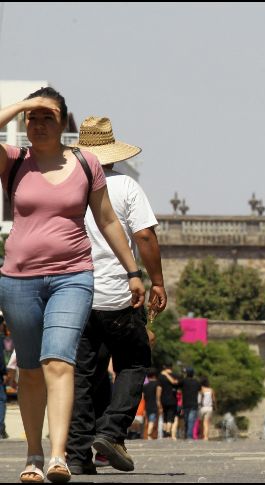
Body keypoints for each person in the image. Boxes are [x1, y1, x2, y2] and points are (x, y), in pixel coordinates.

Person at [0, 88, 145, 483]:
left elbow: (108, 220)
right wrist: (23, 105)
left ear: (63, 123)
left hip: (73, 275)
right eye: (33, 117)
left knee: (59, 361)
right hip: (18, 280)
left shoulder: (85, 162)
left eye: (49, 116)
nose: (39, 123)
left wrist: (134, 272)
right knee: (30, 370)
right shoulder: (13, 160)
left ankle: (59, 456)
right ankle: (33, 454)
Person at [65, 116, 167, 475]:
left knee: (81, 373)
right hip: (117, 294)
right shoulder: (125, 187)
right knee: (134, 360)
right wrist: (156, 280)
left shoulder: (65, 184)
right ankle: (111, 431)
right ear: (110, 152)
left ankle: (76, 454)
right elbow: (144, 237)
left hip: (73, 293)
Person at [158, 363, 179, 439]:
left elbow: (159, 389)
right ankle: (167, 433)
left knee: (165, 416)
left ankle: (165, 433)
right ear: (171, 367)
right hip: (172, 399)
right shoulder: (175, 376)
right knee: (170, 416)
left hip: (163, 399)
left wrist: (158, 400)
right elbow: (176, 383)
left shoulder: (161, 376)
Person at [181, 368, 201, 440]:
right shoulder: (196, 382)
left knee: (186, 420)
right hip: (194, 404)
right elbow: (199, 389)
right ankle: (189, 436)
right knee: (191, 420)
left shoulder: (184, 381)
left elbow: (178, 384)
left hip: (185, 403)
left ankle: (188, 435)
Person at [142, 370, 160, 440]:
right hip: (154, 405)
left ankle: (147, 434)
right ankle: (149, 434)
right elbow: (158, 396)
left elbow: (143, 397)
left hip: (146, 405)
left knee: (147, 420)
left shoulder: (145, 385)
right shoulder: (157, 384)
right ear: (154, 376)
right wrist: (159, 405)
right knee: (152, 420)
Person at [198, 376, 216, 441]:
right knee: (206, 423)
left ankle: (201, 435)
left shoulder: (200, 389)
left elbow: (199, 399)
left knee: (200, 423)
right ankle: (206, 437)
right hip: (209, 408)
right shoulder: (211, 390)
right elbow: (214, 400)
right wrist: (215, 407)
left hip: (202, 408)